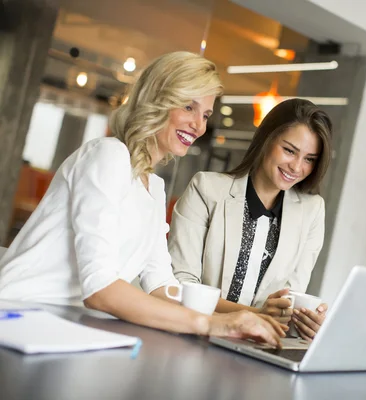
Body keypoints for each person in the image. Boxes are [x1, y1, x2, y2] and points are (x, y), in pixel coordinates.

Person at [0, 51, 283, 346]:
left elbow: (162, 285)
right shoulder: (108, 155)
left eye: (206, 115)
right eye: (189, 107)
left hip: (65, 326)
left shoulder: (154, 188)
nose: (199, 126)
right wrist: (213, 324)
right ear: (158, 100)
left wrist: (253, 314)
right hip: (18, 316)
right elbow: (100, 289)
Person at [168, 98, 333, 341]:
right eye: (289, 150)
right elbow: (182, 286)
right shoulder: (207, 189)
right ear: (266, 139)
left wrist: (306, 322)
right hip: (193, 335)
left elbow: (290, 298)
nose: (297, 167)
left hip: (256, 350)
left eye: (309, 159)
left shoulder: (312, 211)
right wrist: (255, 315)